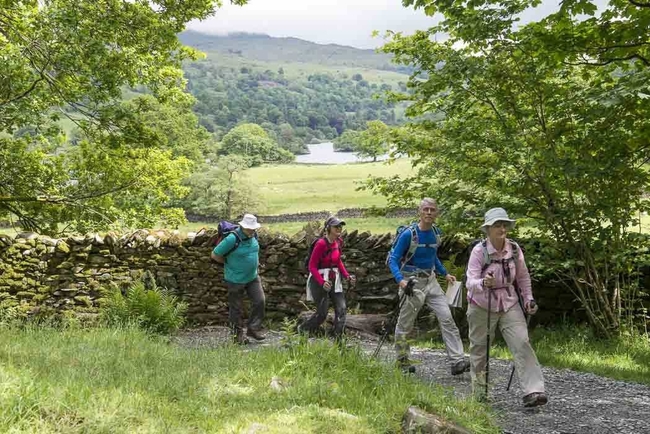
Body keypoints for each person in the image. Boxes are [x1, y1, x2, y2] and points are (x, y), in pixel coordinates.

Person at [466, 207, 547, 407]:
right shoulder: (479, 251)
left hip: (509, 302)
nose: (502, 228)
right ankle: (480, 393)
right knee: (480, 349)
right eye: (497, 225)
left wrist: (528, 299)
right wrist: (483, 282)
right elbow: (470, 282)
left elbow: (522, 277)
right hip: (481, 304)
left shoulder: (515, 249)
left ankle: (534, 391)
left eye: (504, 225)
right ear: (488, 229)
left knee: (522, 342)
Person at [388, 198, 470, 375]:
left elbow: (433, 257)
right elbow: (393, 260)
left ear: (436, 213)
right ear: (419, 211)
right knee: (405, 323)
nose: (429, 212)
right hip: (411, 282)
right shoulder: (408, 235)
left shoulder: (435, 233)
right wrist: (401, 281)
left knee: (446, 317)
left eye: (432, 210)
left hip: (431, 280)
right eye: (426, 209)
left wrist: (444, 274)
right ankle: (402, 360)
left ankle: (457, 361)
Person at [211, 213, 266, 345]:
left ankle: (253, 329)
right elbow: (215, 255)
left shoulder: (254, 236)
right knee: (236, 308)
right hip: (235, 279)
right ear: (243, 227)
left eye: (253, 229)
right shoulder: (232, 239)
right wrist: (229, 265)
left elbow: (253, 251)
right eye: (249, 228)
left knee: (260, 301)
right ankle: (237, 336)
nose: (252, 231)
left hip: (252, 277)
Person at [300, 216, 356, 339]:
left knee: (341, 309)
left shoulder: (339, 242)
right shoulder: (320, 244)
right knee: (322, 314)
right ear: (328, 228)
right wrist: (322, 282)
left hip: (334, 279)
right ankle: (302, 330)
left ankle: (338, 340)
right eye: (336, 226)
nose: (339, 228)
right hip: (319, 280)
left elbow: (338, 261)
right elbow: (312, 266)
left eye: (340, 226)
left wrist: (347, 276)